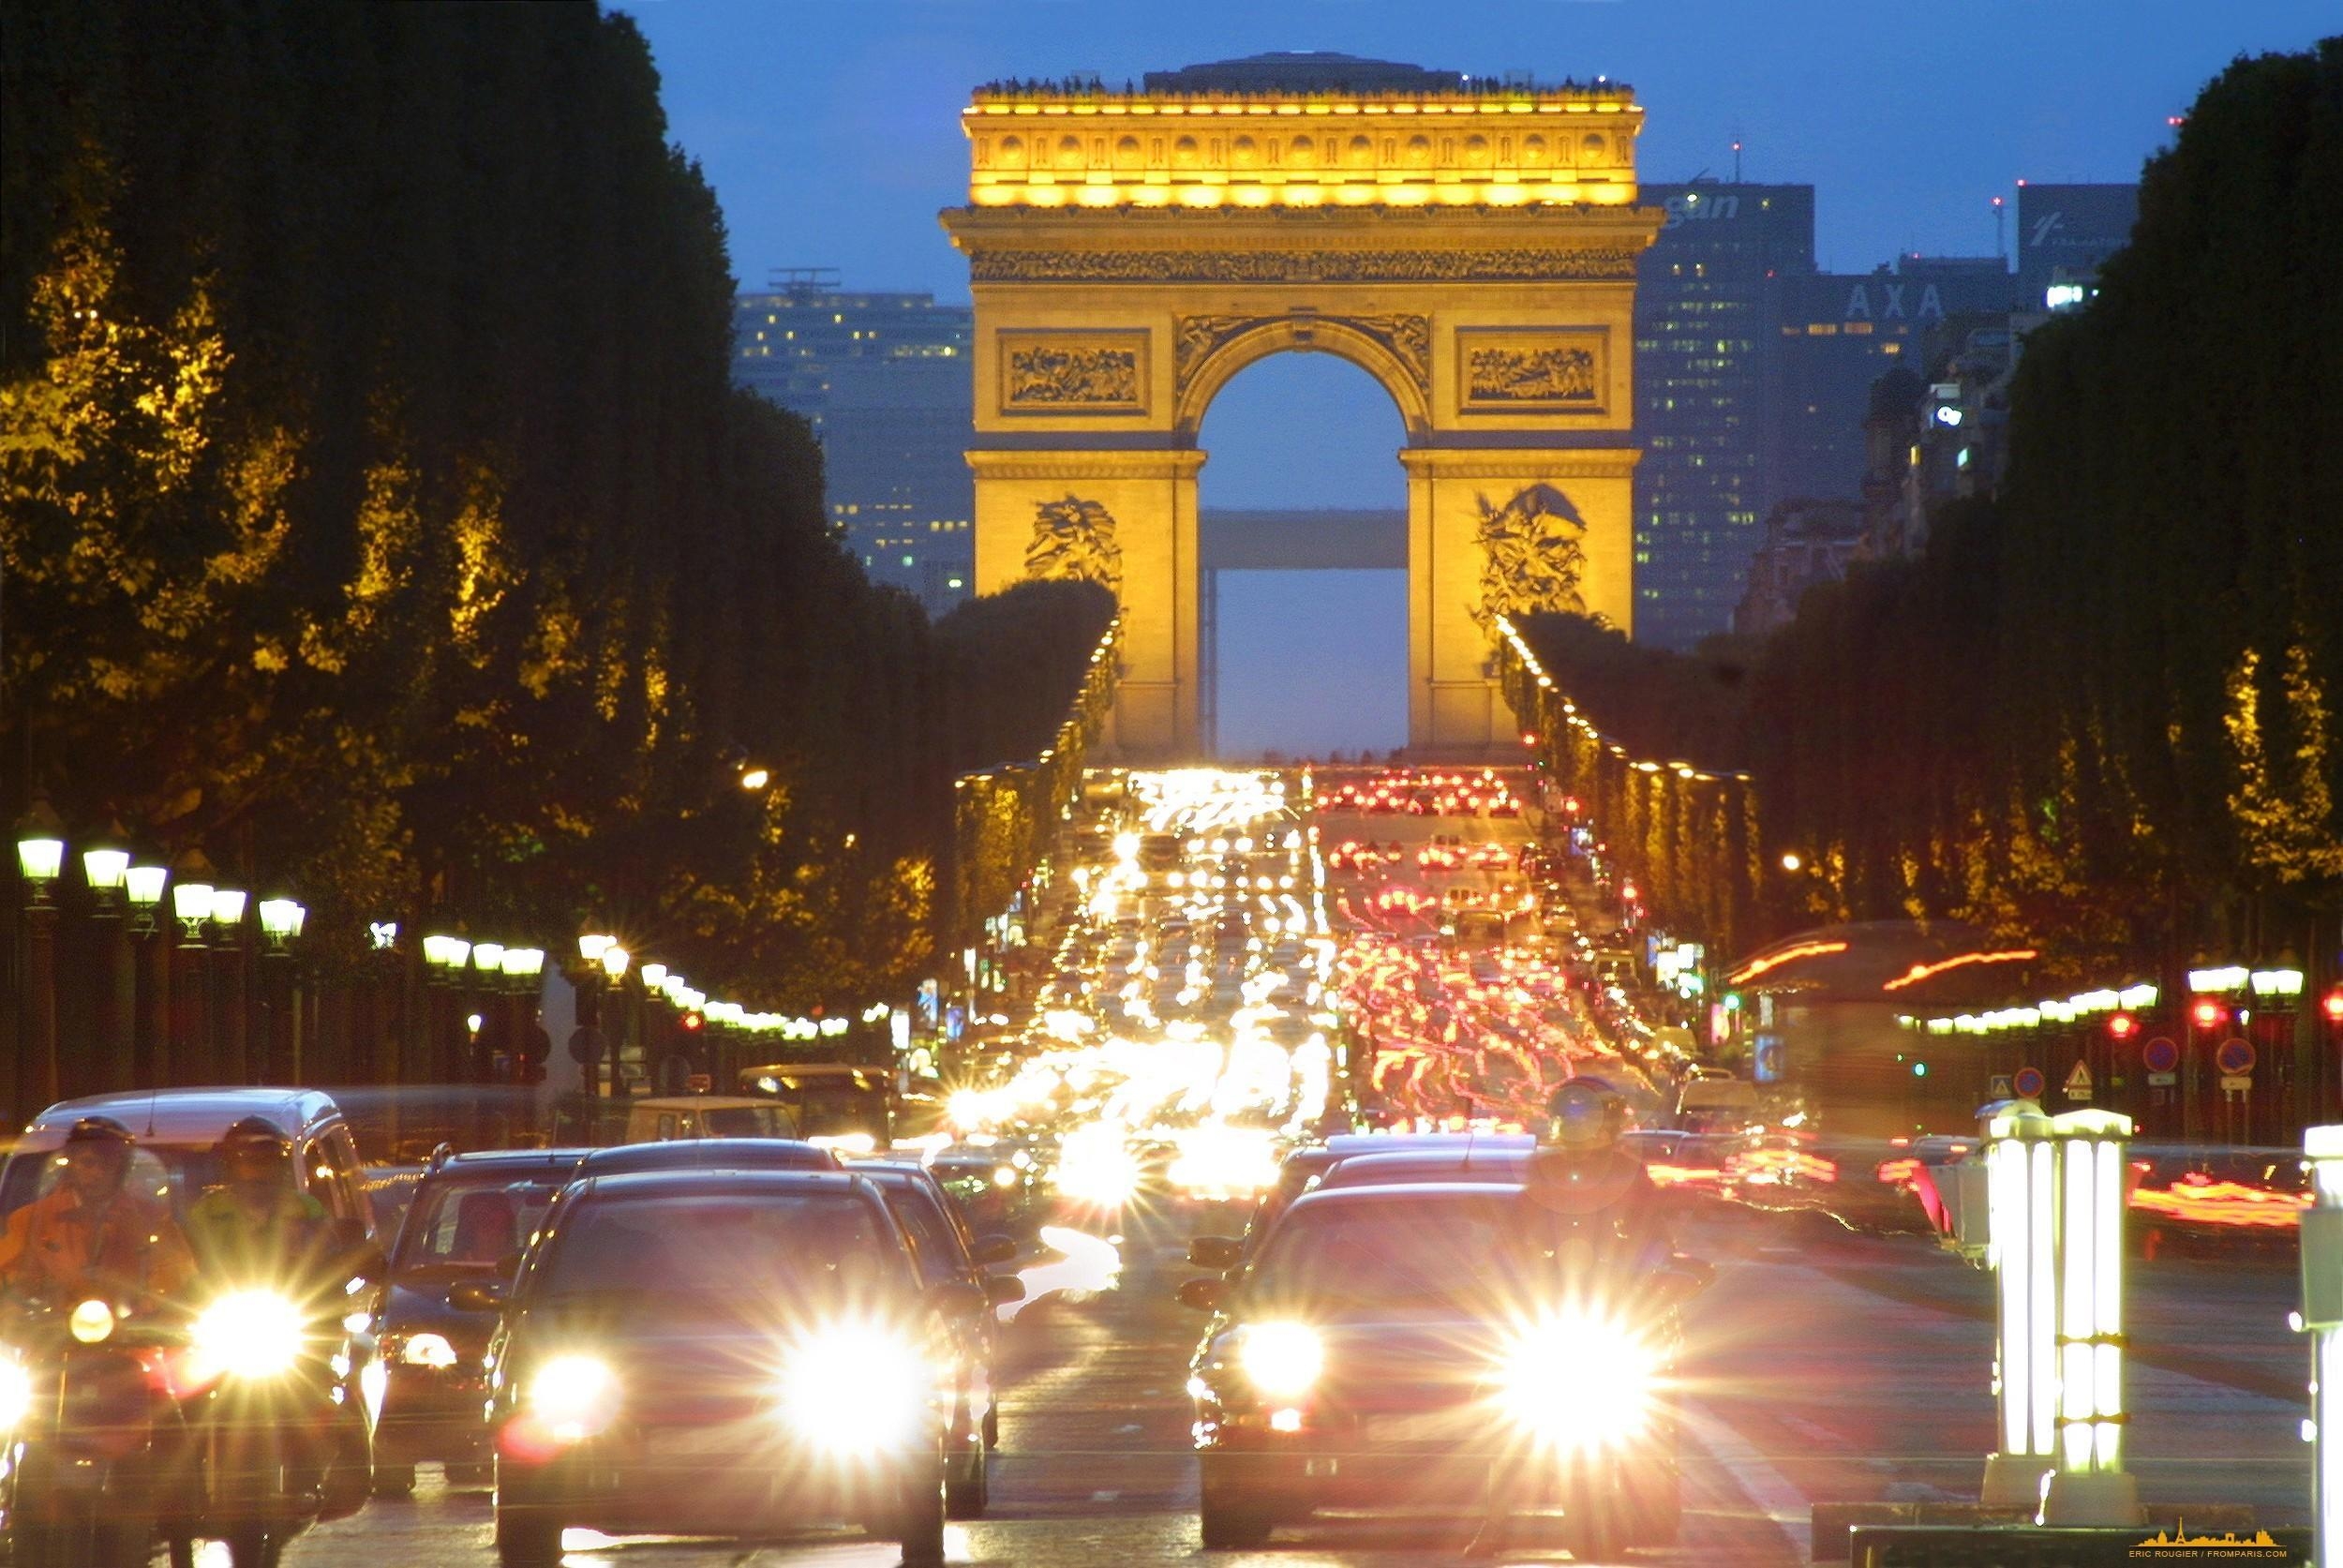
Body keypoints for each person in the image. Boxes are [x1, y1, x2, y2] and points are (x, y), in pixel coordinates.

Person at [0, 1117, 196, 1310]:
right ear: (70, 1164)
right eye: (87, 1163)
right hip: (53, 1334)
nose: (97, 1173)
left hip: (136, 1333)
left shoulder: (153, 1218)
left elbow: (181, 1278)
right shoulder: (31, 1219)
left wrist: (139, 1241)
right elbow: (11, 1285)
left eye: (108, 1164)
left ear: (122, 1168)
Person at [184, 1117, 332, 1288]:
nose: (258, 1171)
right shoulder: (206, 1213)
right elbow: (185, 1269)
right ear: (229, 1167)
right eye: (248, 1161)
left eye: (267, 1161)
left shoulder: (307, 1208)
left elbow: (328, 1259)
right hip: (221, 1307)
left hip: (297, 1305)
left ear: (281, 1167)